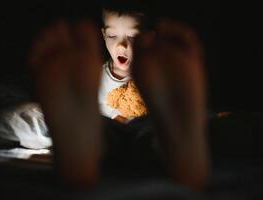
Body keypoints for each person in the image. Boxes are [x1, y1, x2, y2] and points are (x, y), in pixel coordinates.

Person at [27, 0, 210, 190]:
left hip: (149, 129)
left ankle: (81, 158)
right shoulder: (88, 75)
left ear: (147, 38)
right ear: (103, 35)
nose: (121, 44)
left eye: (132, 36)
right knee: (102, 128)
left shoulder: (157, 73)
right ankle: (184, 157)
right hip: (103, 132)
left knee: (150, 129)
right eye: (112, 35)